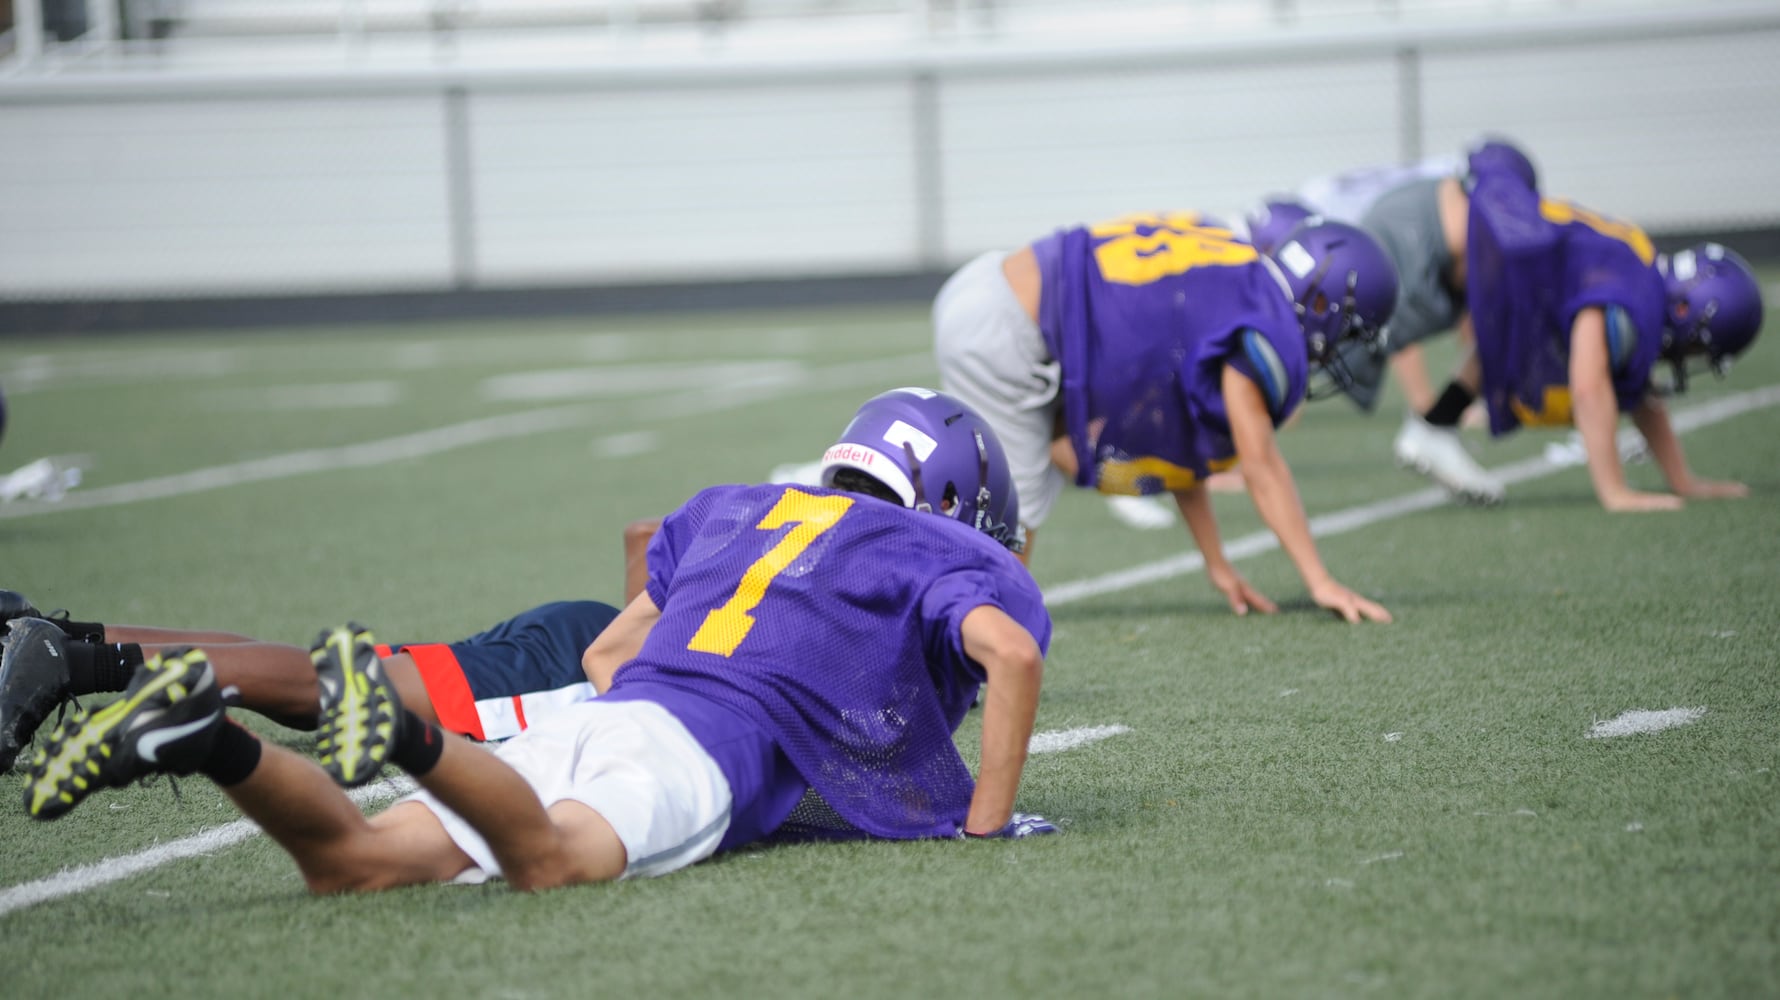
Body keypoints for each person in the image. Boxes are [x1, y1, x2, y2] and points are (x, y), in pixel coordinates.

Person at [24, 387, 1058, 893]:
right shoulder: (927, 544)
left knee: (361, 862)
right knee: (549, 861)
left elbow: (606, 657)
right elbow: (1009, 653)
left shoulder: (747, 506)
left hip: (622, 710)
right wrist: (986, 825)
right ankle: (398, 729)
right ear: (951, 499)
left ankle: (206, 735)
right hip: (693, 751)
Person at [933, 210, 1396, 622]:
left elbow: (1180, 439)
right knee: (1009, 521)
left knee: (1011, 486)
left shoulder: (1233, 265)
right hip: (1004, 332)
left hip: (989, 285)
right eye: (1349, 332)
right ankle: (969, 651)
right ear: (1322, 302)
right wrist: (1320, 580)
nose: (1341, 350)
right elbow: (1262, 466)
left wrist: (1216, 563)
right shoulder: (1264, 325)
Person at [0, 518, 662, 772]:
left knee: (320, 675)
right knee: (334, 695)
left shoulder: (760, 518)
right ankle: (71, 664)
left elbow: (645, 534)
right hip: (566, 665)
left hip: (578, 629)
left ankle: (63, 636)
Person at [1395, 173, 1761, 511]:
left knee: (1516, 336)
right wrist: (1615, 491)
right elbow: (1588, 385)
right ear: (1685, 309)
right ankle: (1431, 428)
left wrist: (1683, 481)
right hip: (1474, 239)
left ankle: (1433, 426)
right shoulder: (1629, 301)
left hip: (1498, 238)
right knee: (1540, 347)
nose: (1688, 355)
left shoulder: (1642, 274)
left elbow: (1640, 392)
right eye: (1698, 347)